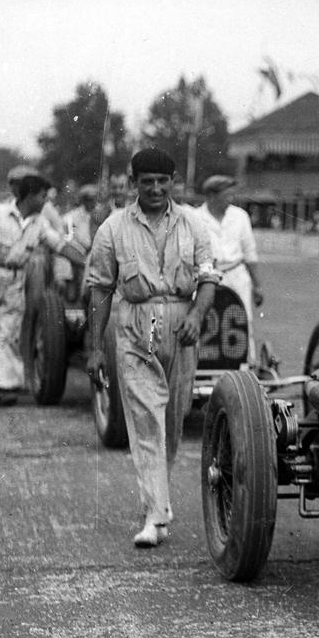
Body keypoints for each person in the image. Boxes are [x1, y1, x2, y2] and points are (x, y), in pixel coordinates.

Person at [84, 148, 220, 549]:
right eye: (147, 182)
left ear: (173, 182)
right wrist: (94, 348)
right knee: (144, 420)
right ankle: (153, 515)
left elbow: (209, 276)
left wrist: (197, 315)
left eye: (163, 181)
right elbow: (99, 290)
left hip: (181, 326)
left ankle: (158, 500)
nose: (156, 189)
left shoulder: (193, 223)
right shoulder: (113, 228)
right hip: (134, 326)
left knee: (173, 421)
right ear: (134, 184)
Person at [0, 173, 87, 405]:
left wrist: (87, 261)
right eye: (42, 197)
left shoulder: (39, 223)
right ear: (30, 195)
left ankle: (3, 387)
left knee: (9, 332)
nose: (46, 202)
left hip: (16, 279)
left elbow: (59, 245)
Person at [197, 175, 265, 316]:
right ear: (211, 195)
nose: (231, 199)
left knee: (242, 323)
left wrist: (257, 285)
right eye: (227, 195)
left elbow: (249, 252)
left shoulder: (240, 216)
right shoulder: (195, 217)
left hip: (237, 277)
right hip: (207, 279)